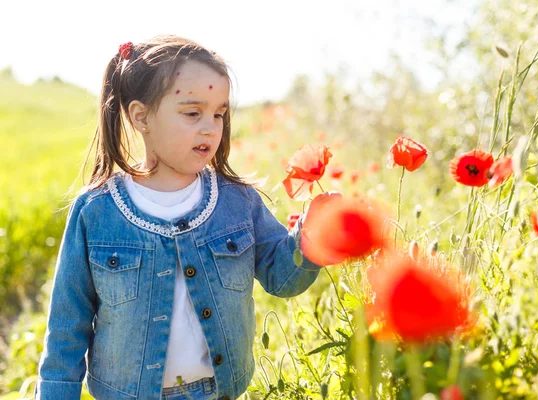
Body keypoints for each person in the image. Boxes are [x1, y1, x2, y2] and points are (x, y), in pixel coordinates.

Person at [34, 35, 335, 400]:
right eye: (193, 113)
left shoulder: (237, 202)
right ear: (141, 116)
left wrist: (312, 237)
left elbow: (281, 277)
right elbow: (68, 327)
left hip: (218, 392)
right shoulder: (97, 211)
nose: (210, 127)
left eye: (219, 113)